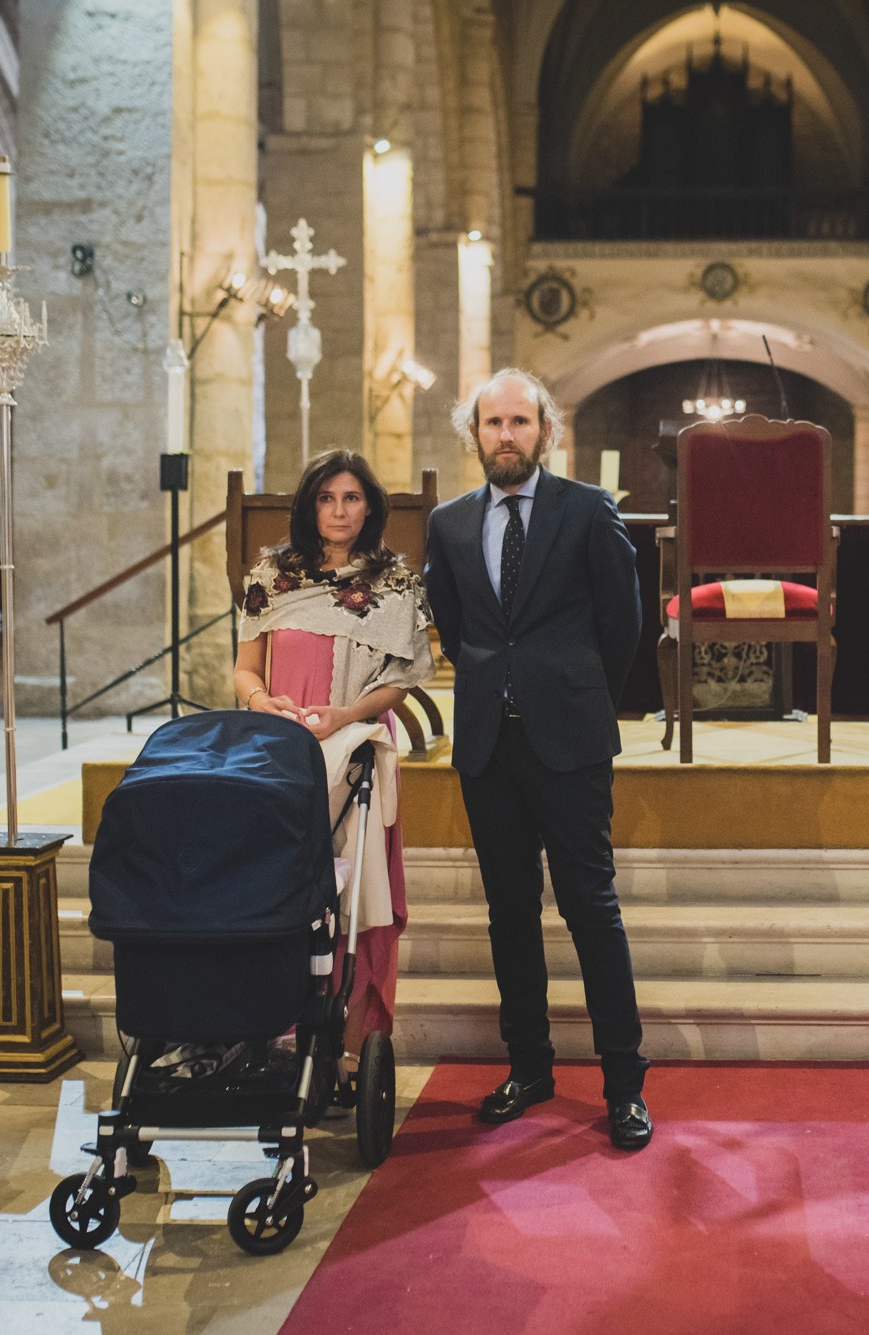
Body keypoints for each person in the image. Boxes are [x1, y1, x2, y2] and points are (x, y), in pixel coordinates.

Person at [424, 368, 653, 1151]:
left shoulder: (589, 509)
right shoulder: (451, 523)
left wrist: (574, 692)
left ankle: (624, 1084)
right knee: (510, 912)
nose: (507, 435)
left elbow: (623, 626)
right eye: (493, 423)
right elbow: (456, 631)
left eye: (521, 421)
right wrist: (500, 683)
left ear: (545, 430)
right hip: (488, 743)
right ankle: (529, 1067)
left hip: (572, 741)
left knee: (592, 908)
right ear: (474, 433)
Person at [233, 449, 434, 1066]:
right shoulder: (271, 576)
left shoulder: (395, 582)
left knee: (349, 899)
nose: (339, 510)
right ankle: (267, 1024)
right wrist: (263, 700)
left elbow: (403, 682)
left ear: (370, 506)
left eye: (351, 498)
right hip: (281, 755)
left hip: (356, 752)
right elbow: (244, 670)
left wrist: (347, 716)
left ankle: (348, 1036)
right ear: (308, 505)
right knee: (278, 887)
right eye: (326, 498)